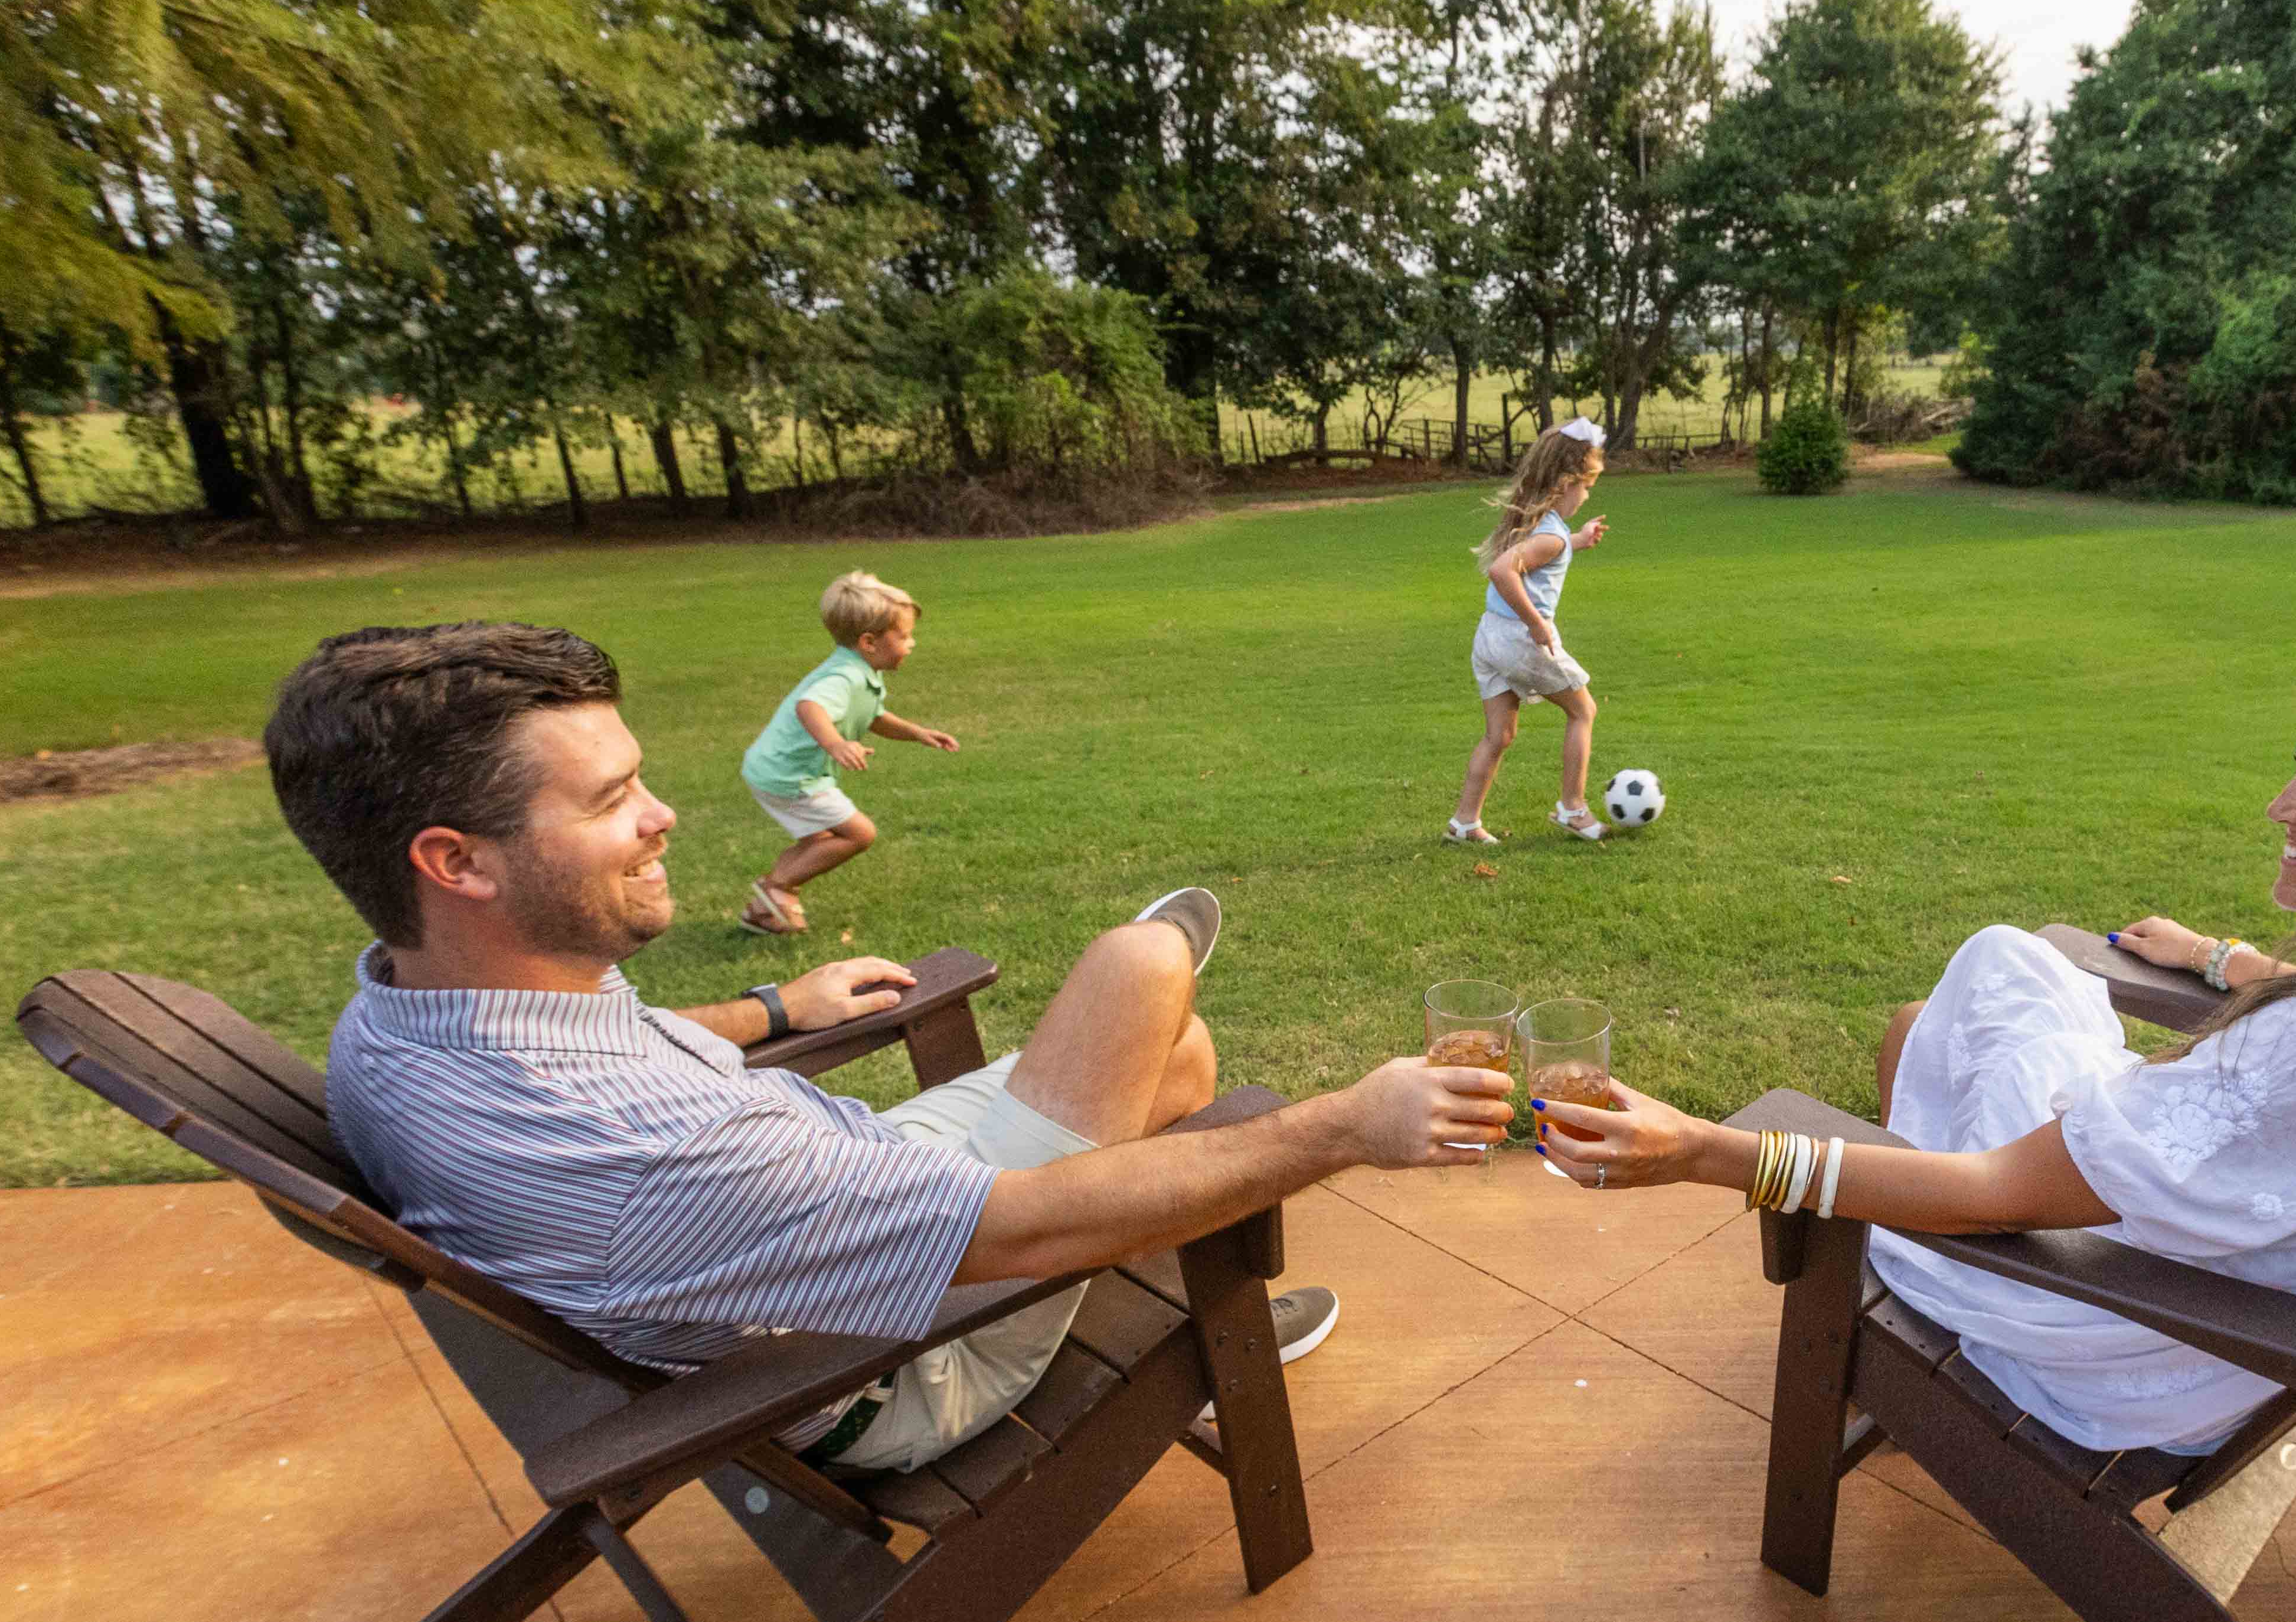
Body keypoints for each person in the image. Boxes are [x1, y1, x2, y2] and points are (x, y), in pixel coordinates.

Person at [266, 621, 1512, 1476]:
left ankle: (1203, 1272)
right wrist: (1347, 1124)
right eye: (608, 803)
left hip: (798, 1225)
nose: (665, 816)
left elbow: (616, 1045)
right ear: (455, 860)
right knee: (1145, 979)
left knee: (1170, 1055)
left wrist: (769, 1012)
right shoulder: (660, 1153)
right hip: (882, 1368)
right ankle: (1209, 1325)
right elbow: (1025, 1230)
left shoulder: (401, 1016)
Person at [1529, 625, 2296, 1458]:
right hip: (2241, 1296)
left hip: (2125, 1337)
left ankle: (1883, 1314)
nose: (2281, 805)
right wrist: (2221, 962)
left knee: (1982, 983)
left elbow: (1991, 1192)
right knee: (1983, 994)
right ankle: (1902, 1220)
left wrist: (1703, 1150)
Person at [739, 569, 958, 935]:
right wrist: (836, 743)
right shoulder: (844, 678)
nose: (912, 644)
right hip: (789, 775)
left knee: (821, 841)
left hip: (775, 770)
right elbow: (810, 707)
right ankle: (775, 890)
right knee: (859, 833)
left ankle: (763, 911)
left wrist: (918, 733)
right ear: (870, 642)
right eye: (905, 636)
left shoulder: (860, 672)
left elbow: (875, 718)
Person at [1447, 419, 1612, 846]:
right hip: (1519, 640)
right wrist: (1537, 624)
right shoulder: (1549, 536)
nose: (1588, 495)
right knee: (1583, 711)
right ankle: (1573, 809)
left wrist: (1578, 539)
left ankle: (1465, 823)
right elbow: (1504, 571)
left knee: (1499, 735)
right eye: (1587, 486)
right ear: (1565, 484)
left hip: (1490, 637)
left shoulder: (1540, 524)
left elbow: (1543, 552)